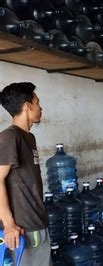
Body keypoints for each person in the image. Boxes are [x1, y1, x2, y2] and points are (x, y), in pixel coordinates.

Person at [0, 82, 51, 265]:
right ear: (27, 106)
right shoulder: (9, 137)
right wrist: (8, 224)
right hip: (23, 227)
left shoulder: (29, 137)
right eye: (37, 102)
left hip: (36, 220)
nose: (40, 107)